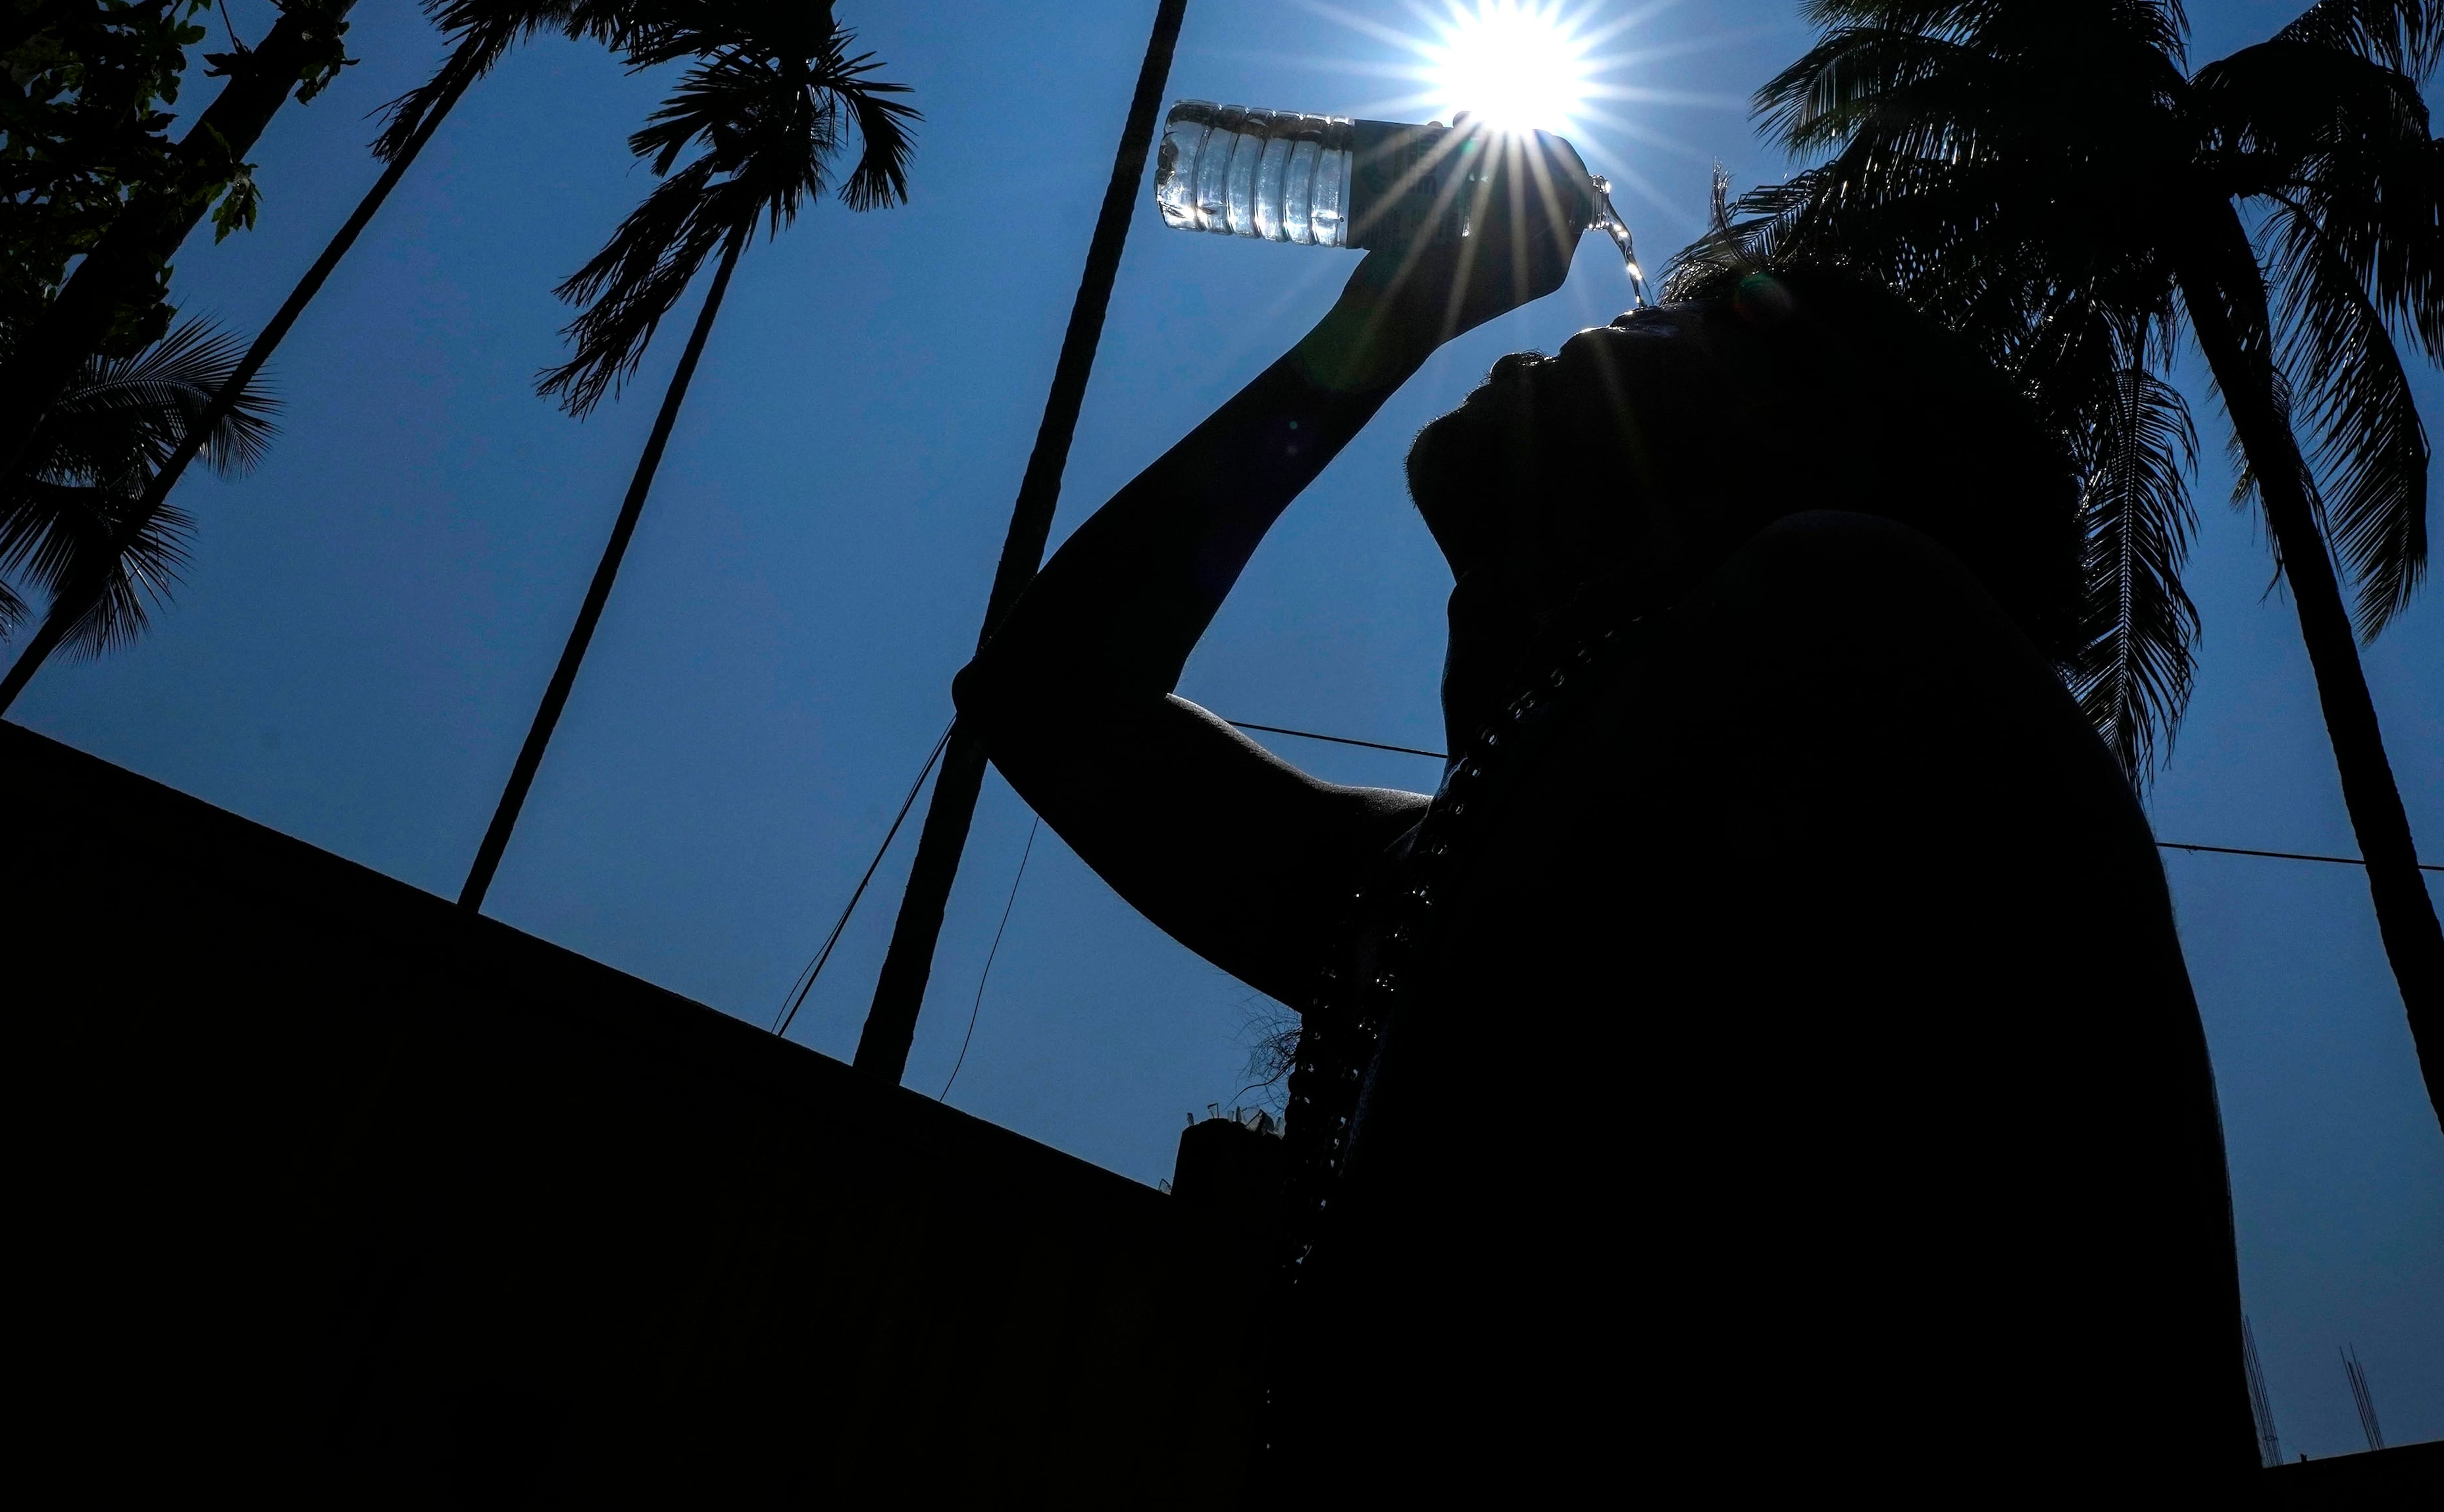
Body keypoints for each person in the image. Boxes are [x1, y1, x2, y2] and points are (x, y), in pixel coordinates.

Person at [956, 132, 2252, 1494]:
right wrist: (1374, 329)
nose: (1587, 330)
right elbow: (1046, 694)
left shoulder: (1864, 628)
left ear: (1790, 434)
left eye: (1662, 321)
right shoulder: (1428, 864)